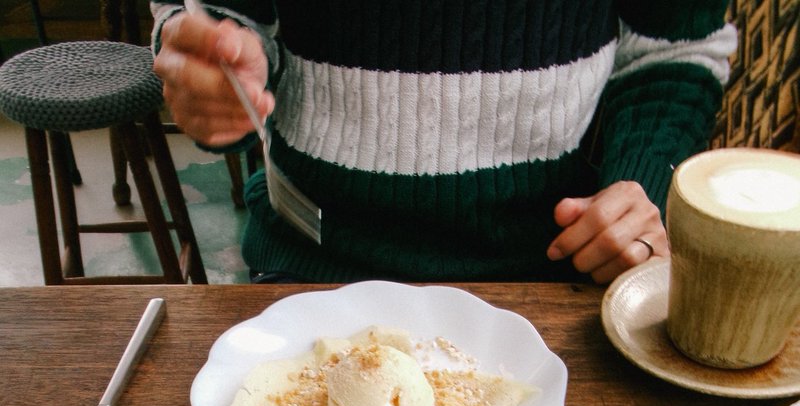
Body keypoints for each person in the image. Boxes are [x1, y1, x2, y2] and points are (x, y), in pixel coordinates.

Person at [151, 3, 736, 285]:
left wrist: (640, 181)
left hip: (559, 275)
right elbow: (219, 17)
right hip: (315, 265)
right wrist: (214, 70)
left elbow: (676, 48)